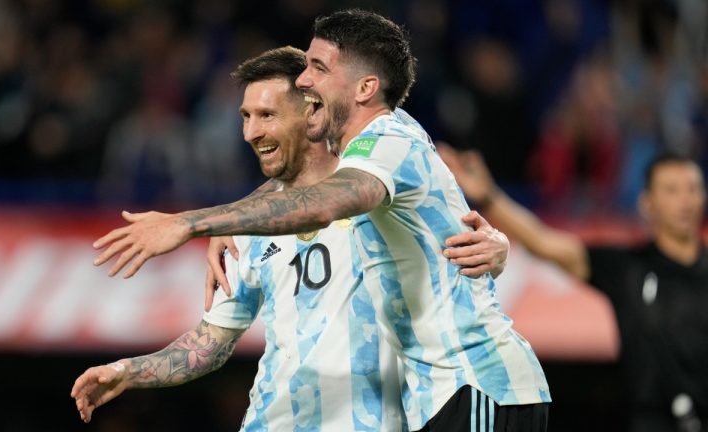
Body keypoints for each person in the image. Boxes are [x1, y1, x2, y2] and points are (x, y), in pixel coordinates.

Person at [91, 10, 551, 431]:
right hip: (308, 416)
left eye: (268, 114)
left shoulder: (386, 150)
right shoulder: (255, 221)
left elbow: (334, 200)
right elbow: (213, 339)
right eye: (246, 117)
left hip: (468, 384)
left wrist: (193, 223)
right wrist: (128, 371)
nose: (251, 131)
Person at [441, 147, 708, 432]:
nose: (685, 200)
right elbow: (543, 242)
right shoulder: (628, 268)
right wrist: (488, 197)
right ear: (648, 203)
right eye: (672, 190)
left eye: (693, 189)